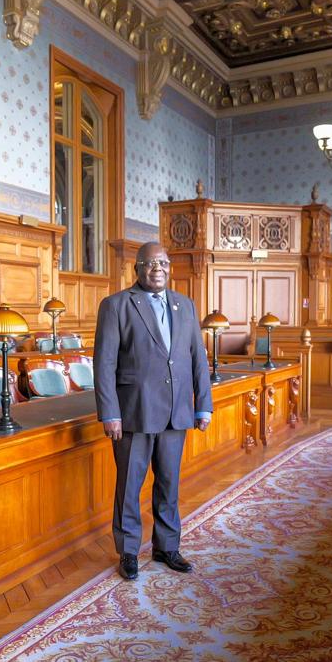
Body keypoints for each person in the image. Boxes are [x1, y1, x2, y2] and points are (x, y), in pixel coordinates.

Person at [93, 242, 213, 580]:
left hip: (176, 411)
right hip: (135, 411)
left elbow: (197, 358)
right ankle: (129, 551)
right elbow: (104, 363)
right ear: (137, 269)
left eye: (162, 263)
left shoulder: (185, 305)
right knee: (130, 486)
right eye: (149, 263)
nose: (157, 269)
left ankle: (166, 547)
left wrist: (203, 405)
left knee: (169, 483)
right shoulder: (116, 305)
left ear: (169, 267)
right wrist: (110, 412)